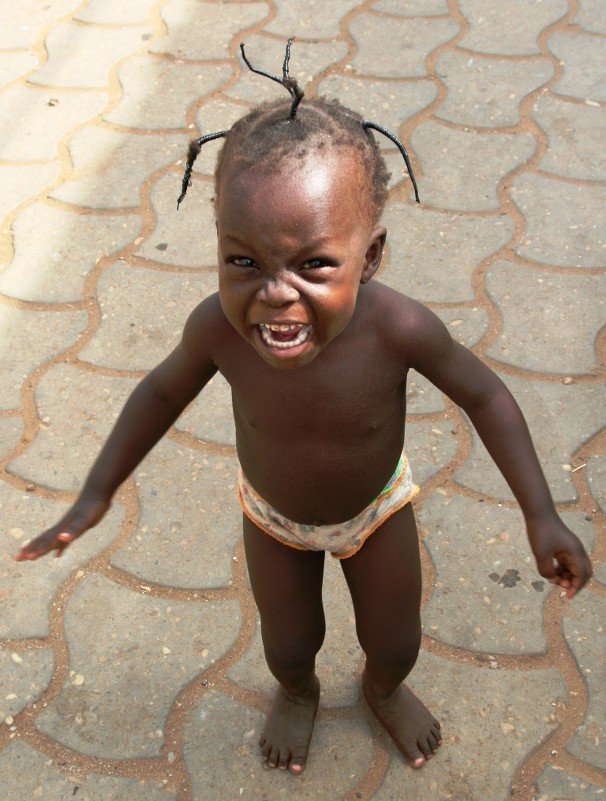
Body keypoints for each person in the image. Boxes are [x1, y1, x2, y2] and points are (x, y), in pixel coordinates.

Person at [15, 43, 592, 777]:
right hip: (273, 518)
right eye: (244, 261)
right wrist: (97, 492)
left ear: (370, 256)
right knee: (288, 643)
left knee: (396, 639)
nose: (276, 293)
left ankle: (382, 688)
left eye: (314, 264)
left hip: (376, 510)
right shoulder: (216, 329)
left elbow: (486, 394)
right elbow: (160, 392)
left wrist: (540, 512)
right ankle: (298, 692)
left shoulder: (399, 329)